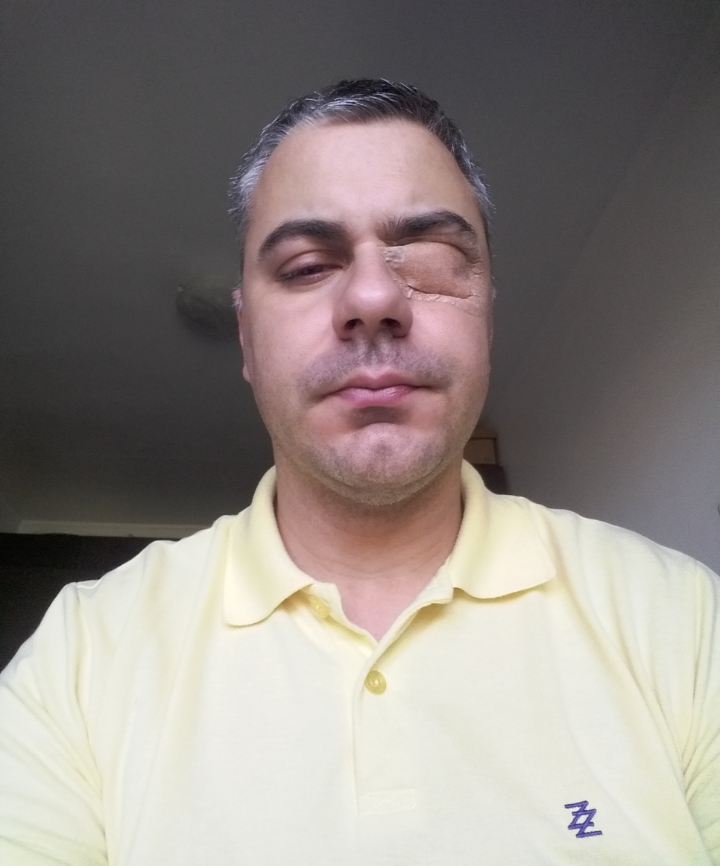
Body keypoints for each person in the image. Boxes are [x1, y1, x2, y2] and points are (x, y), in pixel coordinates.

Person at [0, 79, 718, 865]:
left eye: (432, 259)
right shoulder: (82, 657)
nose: (373, 297)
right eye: (308, 266)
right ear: (246, 338)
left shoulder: (683, 622)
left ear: (485, 314)